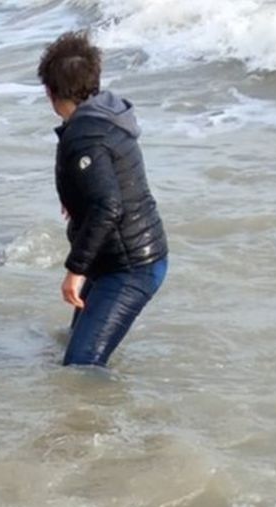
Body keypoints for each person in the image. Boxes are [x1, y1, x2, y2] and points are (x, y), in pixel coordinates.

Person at [37, 31, 169, 367]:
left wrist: (75, 271)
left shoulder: (86, 135)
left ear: (50, 92)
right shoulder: (104, 115)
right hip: (116, 258)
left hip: (130, 267)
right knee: (70, 353)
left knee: (82, 367)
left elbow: (108, 205)